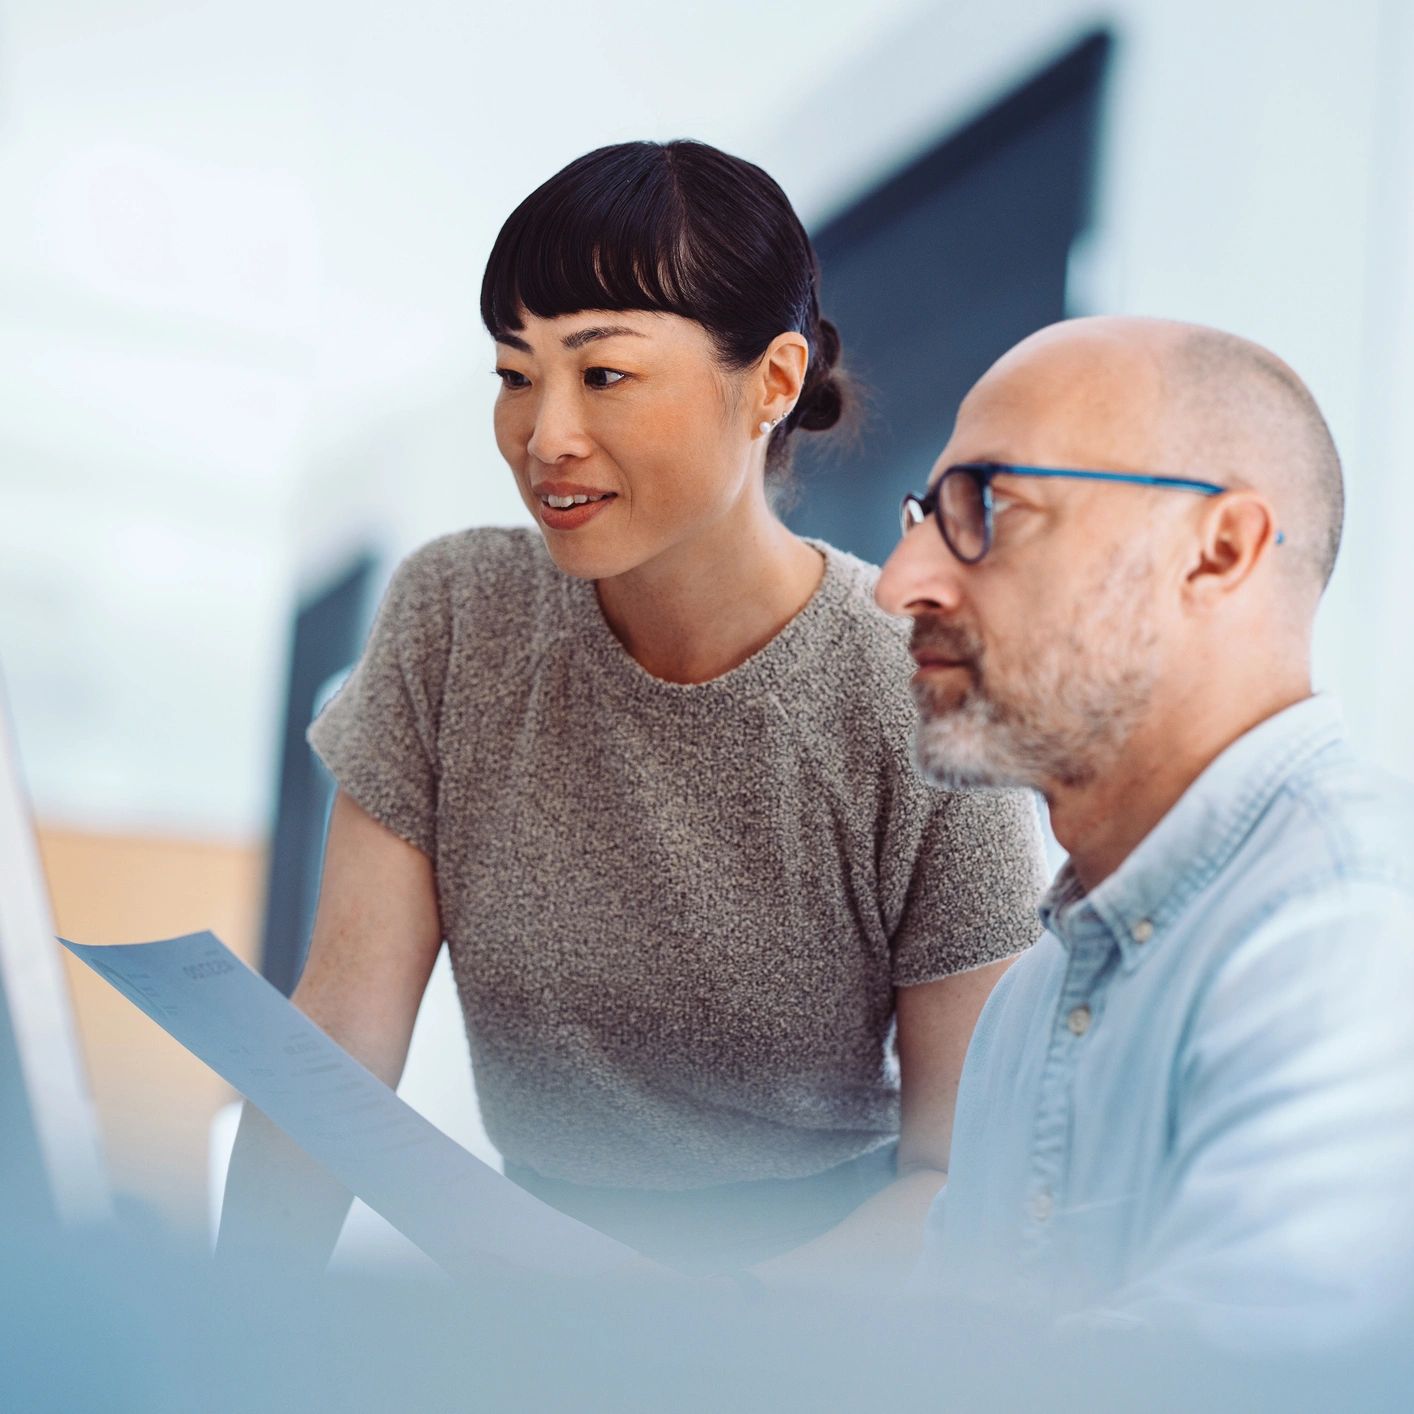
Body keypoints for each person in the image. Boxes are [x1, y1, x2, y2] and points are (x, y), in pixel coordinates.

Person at [217, 140, 1047, 1282]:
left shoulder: (917, 686)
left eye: (602, 374)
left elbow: (956, 1179)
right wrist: (233, 1329)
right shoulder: (454, 615)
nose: (543, 434)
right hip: (534, 1287)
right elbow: (339, 1041)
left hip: (820, 1312)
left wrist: (699, 1350)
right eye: (515, 374)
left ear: (771, 382)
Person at [875, 314, 1414, 1343]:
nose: (902, 583)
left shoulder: (1351, 930)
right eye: (925, 512)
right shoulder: (1030, 1000)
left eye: (990, 506)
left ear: (1216, 553)